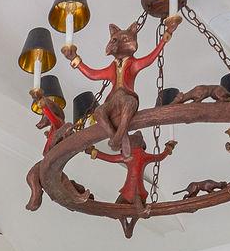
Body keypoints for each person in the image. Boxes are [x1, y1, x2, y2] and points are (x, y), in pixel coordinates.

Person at [64, 17, 178, 152]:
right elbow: (93, 74)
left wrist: (165, 38)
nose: (118, 43)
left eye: (125, 40)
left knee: (129, 104)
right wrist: (75, 60)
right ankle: (116, 138)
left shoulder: (133, 64)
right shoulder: (112, 67)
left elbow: (150, 58)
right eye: (114, 39)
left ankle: (117, 138)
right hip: (113, 100)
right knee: (99, 111)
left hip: (127, 96)